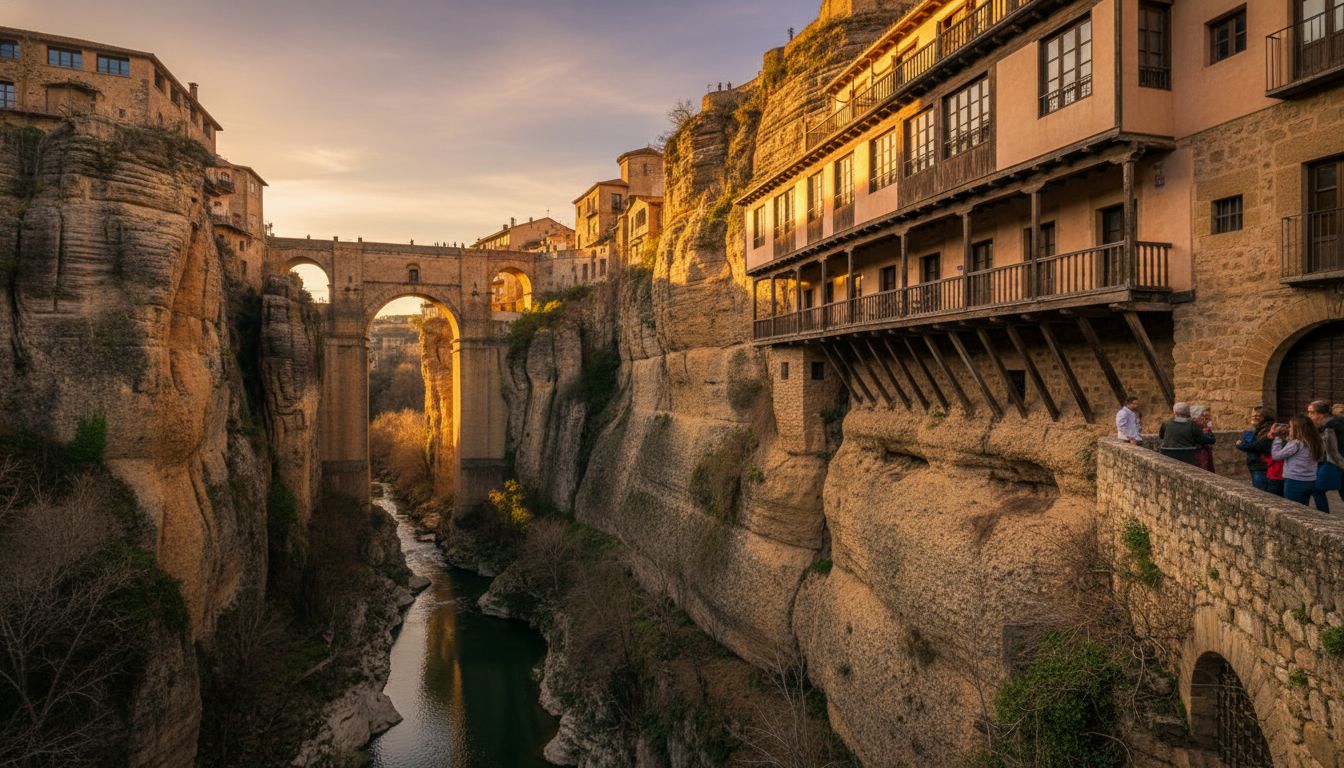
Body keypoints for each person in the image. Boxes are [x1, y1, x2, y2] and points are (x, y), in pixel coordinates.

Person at [1272, 416, 1324, 506]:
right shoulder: (1315, 442)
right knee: (1304, 507)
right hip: (1310, 480)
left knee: (1293, 508)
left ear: (1297, 429)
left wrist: (1278, 438)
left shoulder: (1296, 443)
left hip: (1295, 480)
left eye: (1290, 427)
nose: (1289, 429)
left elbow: (1276, 456)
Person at [1307, 400, 1344, 512]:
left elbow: (1333, 451)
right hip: (1336, 462)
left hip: (1336, 463)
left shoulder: (1330, 426)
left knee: (1316, 488)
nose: (1309, 416)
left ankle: (1324, 516)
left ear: (1322, 414)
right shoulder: (1333, 423)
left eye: (1311, 413)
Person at [1236, 406, 1275, 491]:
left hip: (1261, 467)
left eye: (1257, 415)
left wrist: (1240, 445)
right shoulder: (1258, 429)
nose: (1254, 417)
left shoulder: (1268, 430)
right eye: (1253, 415)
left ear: (1265, 417)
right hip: (1255, 466)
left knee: (1262, 494)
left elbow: (1256, 446)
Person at [1190, 405, 1216, 471]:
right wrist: (1208, 432)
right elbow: (1210, 439)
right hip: (1199, 452)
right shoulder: (1196, 425)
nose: (1203, 418)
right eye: (1202, 415)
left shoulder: (1193, 424)